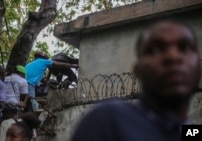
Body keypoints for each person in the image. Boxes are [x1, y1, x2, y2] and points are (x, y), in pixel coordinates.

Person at [70, 19, 201, 141]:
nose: (173, 57)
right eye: (155, 50)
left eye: (184, 48)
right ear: (137, 70)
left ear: (199, 66)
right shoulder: (109, 121)